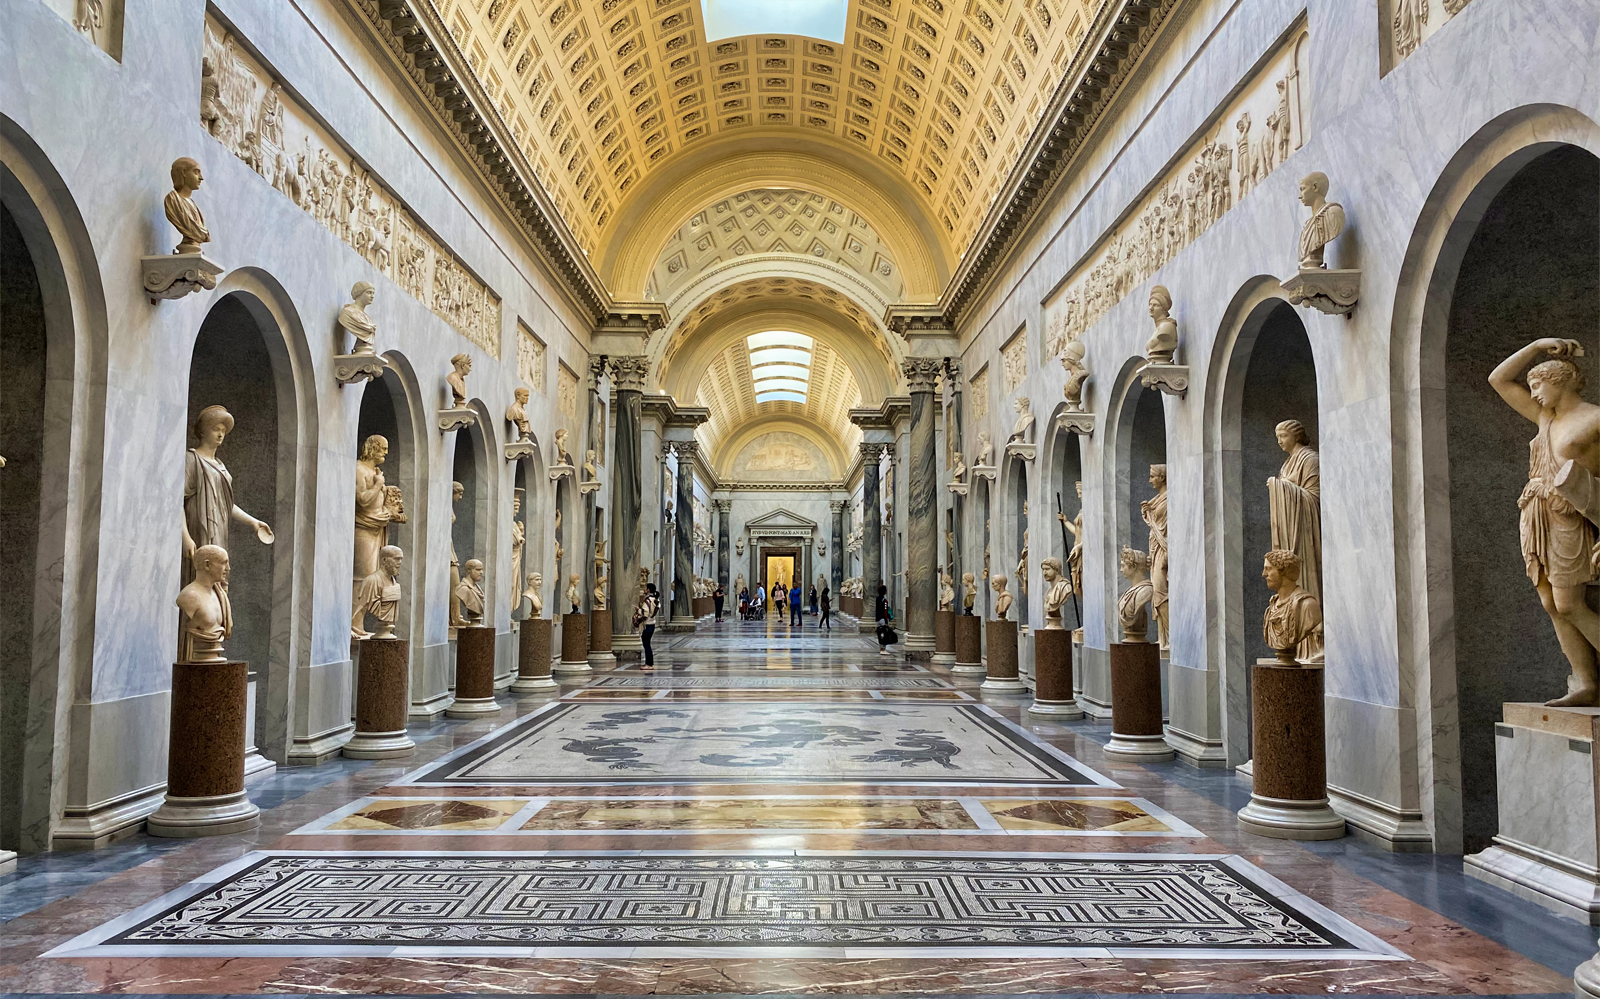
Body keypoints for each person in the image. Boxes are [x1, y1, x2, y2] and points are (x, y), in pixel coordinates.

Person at [634, 582, 660, 668]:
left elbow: (645, 613)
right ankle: (649, 663)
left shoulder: (648, 600)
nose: (645, 590)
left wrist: (638, 610)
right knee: (647, 644)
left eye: (646, 588)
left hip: (647, 624)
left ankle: (649, 664)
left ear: (648, 590)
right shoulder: (655, 600)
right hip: (652, 623)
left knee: (646, 645)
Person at [875, 583, 896, 656]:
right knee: (884, 633)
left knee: (880, 633)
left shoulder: (877, 599)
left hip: (878, 619)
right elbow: (885, 611)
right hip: (883, 619)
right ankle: (883, 649)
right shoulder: (884, 601)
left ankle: (881, 648)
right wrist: (886, 621)